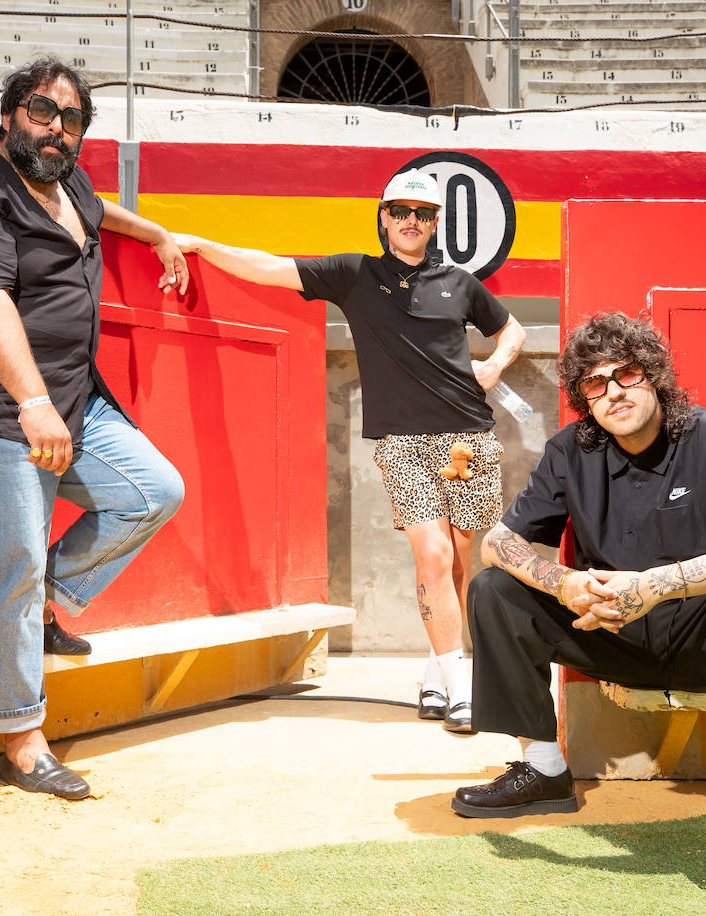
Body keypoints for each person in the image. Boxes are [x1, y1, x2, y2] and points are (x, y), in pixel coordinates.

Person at [0, 56, 188, 799]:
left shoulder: (71, 186)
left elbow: (100, 211)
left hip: (73, 402)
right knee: (12, 563)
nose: (56, 128)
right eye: (40, 111)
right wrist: (31, 402)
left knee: (154, 490)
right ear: (7, 117)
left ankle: (39, 605)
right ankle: (21, 738)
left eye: (73, 118)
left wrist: (156, 233)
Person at [453, 312, 706, 901]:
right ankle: (545, 768)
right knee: (495, 589)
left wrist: (658, 584)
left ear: (654, 376)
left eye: (626, 374)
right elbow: (498, 542)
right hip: (611, 635)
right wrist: (564, 584)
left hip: (705, 640)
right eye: (594, 385)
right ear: (584, 400)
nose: (613, 392)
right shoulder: (572, 451)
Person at [172, 169, 525, 732]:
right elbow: (270, 267)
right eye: (401, 211)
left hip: (467, 437)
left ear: (436, 224)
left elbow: (512, 331)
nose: (412, 221)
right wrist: (202, 246)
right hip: (402, 442)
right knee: (431, 556)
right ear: (384, 217)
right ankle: (462, 688)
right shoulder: (354, 274)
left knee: (458, 559)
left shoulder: (460, 283)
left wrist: (494, 364)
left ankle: (437, 672)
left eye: (424, 214)